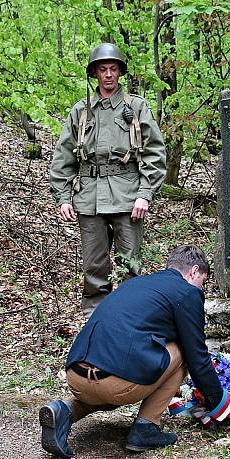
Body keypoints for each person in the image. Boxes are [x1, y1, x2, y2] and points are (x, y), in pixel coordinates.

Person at [39, 245, 230, 458]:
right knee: (182, 351)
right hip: (115, 384)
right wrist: (219, 403)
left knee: (108, 385)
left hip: (76, 377)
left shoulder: (134, 284)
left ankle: (64, 410)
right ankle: (146, 427)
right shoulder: (187, 292)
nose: (200, 289)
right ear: (194, 271)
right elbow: (197, 355)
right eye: (202, 283)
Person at [50, 43, 166, 318]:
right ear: (95, 73)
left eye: (113, 69)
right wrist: (64, 196)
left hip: (128, 196)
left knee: (130, 265)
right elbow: (64, 156)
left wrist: (145, 193)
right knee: (93, 268)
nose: (109, 74)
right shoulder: (81, 111)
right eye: (103, 69)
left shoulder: (136, 107)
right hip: (89, 198)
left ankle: (132, 320)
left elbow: (155, 151)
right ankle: (96, 320)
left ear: (120, 73)